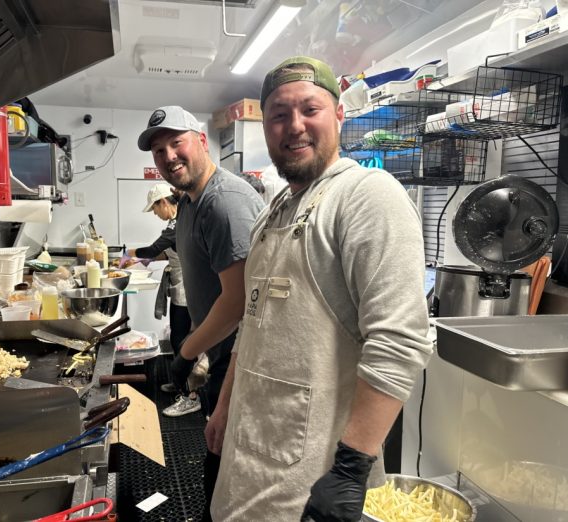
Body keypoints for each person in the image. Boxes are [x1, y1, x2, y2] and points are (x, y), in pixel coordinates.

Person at [207, 56, 433, 521]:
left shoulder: (368, 196)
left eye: (310, 109)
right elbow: (252, 325)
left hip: (312, 479)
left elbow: (399, 342)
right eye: (278, 114)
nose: (295, 126)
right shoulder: (274, 213)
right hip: (250, 456)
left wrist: (350, 470)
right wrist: (226, 403)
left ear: (339, 115)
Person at [137, 105, 265, 520]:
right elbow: (207, 288)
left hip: (245, 358)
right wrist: (198, 349)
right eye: (158, 150)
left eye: (177, 143)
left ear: (202, 142)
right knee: (218, 444)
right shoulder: (190, 201)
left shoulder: (224, 202)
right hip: (221, 351)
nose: (168, 156)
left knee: (232, 458)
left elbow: (238, 299)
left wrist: (188, 351)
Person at [127, 183, 199, 416]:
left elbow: (153, 248)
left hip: (189, 289)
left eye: (155, 209)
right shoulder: (178, 221)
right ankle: (180, 383)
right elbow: (166, 251)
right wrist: (140, 261)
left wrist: (130, 254)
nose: (156, 214)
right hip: (182, 287)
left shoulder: (175, 223)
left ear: (164, 202)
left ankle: (191, 395)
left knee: (182, 340)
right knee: (179, 337)